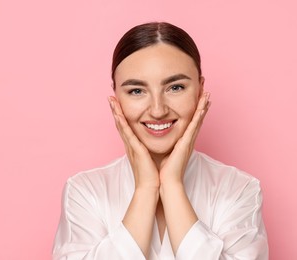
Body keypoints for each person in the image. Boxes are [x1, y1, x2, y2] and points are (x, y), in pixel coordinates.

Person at [52, 22, 268, 260]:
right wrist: (146, 188)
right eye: (136, 91)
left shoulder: (239, 189)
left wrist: (172, 185)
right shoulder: (85, 192)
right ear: (116, 98)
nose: (157, 110)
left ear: (200, 91)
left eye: (175, 87)